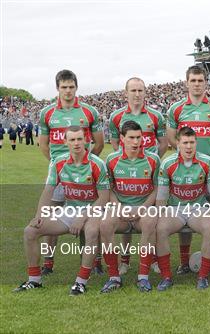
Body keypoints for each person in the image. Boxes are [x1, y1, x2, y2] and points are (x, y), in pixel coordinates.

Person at [13, 126, 110, 295]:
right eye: (72, 140)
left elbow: (103, 198)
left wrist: (82, 218)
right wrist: (39, 216)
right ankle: (34, 280)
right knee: (30, 231)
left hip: (94, 211)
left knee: (92, 232)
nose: (76, 143)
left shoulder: (97, 164)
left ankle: (81, 282)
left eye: (80, 139)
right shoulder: (59, 162)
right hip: (70, 210)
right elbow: (48, 190)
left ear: (86, 140)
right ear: (65, 142)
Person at [38, 69, 104, 275]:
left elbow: (99, 143)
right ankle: (48, 261)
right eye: (64, 87)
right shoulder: (46, 113)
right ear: (57, 88)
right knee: (52, 214)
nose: (68, 91)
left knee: (90, 214)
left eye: (71, 87)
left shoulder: (89, 112)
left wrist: (83, 163)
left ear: (76, 87)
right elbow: (43, 145)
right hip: (59, 173)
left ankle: (95, 261)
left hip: (85, 171)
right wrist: (61, 167)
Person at [167, 66, 210, 274]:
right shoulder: (176, 109)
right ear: (187, 82)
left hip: (209, 170)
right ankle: (184, 262)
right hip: (184, 171)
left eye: (201, 80)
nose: (197, 84)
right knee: (184, 210)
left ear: (206, 82)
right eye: (193, 80)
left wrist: (206, 161)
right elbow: (173, 140)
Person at [108, 77, 167, 275]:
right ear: (126, 92)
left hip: (148, 173)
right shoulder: (116, 116)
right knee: (125, 212)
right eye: (133, 90)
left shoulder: (156, 116)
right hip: (126, 169)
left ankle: (153, 260)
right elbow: (116, 143)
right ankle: (124, 261)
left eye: (140, 90)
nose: (137, 94)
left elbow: (163, 143)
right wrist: (126, 160)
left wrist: (148, 163)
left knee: (150, 220)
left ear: (145, 92)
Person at [155, 126, 210, 290]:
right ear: (177, 143)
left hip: (198, 208)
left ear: (196, 143)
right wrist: (160, 216)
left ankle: (203, 277)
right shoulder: (167, 164)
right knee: (161, 229)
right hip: (175, 209)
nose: (189, 147)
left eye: (192, 142)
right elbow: (161, 198)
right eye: (185, 142)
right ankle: (166, 277)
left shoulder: (207, 162)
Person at [99, 121, 160, 293]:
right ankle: (114, 277)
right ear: (122, 139)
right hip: (121, 210)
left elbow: (157, 188)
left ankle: (143, 277)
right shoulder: (111, 160)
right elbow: (109, 188)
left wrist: (143, 208)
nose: (135, 142)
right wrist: (118, 207)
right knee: (105, 224)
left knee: (149, 222)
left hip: (144, 209)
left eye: (138, 138)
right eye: (131, 138)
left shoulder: (153, 159)